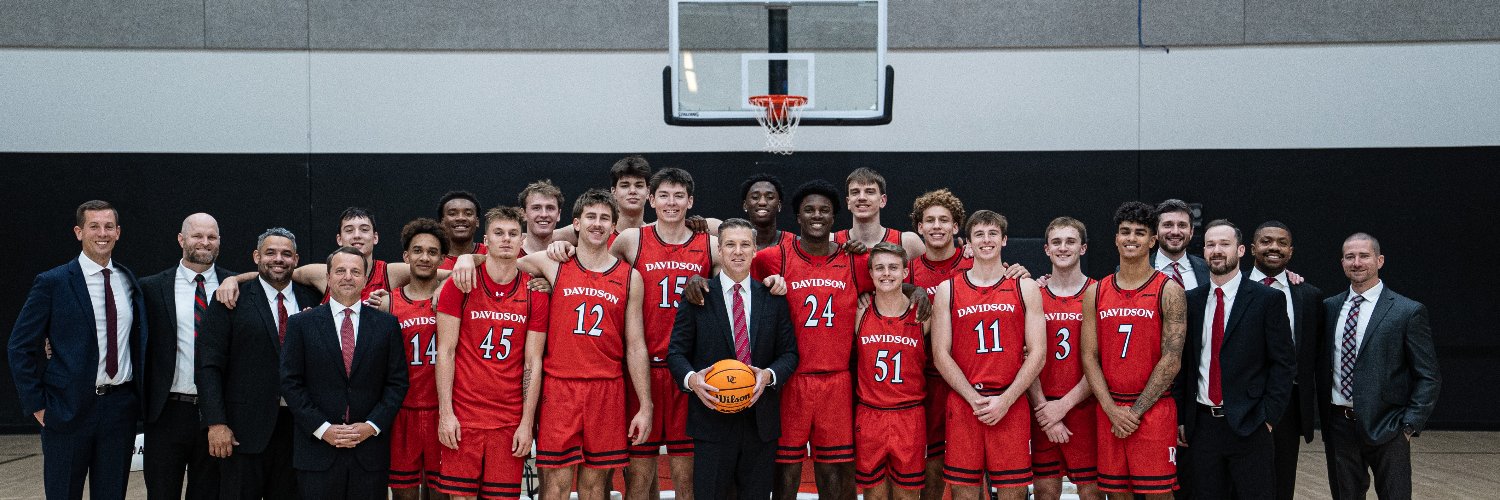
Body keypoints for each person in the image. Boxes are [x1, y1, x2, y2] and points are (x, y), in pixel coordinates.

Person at [555, 168, 714, 499]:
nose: (671, 203)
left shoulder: (709, 243)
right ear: (651, 200)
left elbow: (739, 256)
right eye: (664, 195)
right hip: (642, 370)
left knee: (687, 480)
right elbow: (594, 267)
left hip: (688, 373)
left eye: (679, 196)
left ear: (691, 202)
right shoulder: (631, 239)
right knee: (639, 479)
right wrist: (559, 248)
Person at [8, 200, 147, 500]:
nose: (102, 233)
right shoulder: (53, 282)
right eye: (94, 226)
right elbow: (19, 346)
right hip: (66, 409)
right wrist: (37, 405)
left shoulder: (128, 281)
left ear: (118, 232)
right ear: (78, 232)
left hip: (119, 410)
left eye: (109, 226)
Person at [522, 189, 652, 500]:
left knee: (595, 488)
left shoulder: (630, 277)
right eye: (590, 217)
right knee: (555, 486)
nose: (597, 223)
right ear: (577, 223)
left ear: (613, 226)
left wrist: (645, 404)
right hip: (560, 388)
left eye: (605, 218)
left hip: (606, 389)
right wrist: (463, 264)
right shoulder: (553, 263)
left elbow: (635, 346)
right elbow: (496, 267)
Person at [752, 180, 872, 500]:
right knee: (786, 471)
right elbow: (733, 280)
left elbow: (892, 281)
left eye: (824, 210)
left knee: (832, 472)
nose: (817, 215)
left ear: (834, 217)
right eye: (809, 210)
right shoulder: (772, 258)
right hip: (790, 380)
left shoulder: (855, 261)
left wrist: (914, 291)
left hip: (836, 380)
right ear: (798, 217)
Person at [668, 218, 799, 499]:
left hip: (759, 421)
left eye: (745, 245)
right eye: (730, 244)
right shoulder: (698, 296)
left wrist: (769, 375)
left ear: (755, 250)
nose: (738, 252)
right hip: (711, 420)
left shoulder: (773, 298)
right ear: (719, 250)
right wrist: (692, 380)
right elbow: (676, 353)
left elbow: (789, 353)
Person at [432, 207, 550, 500]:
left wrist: (526, 423)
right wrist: (446, 414)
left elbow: (533, 363)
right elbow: (445, 352)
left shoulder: (534, 292)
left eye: (512, 234)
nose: (506, 239)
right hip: (464, 416)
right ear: (486, 240)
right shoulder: (460, 284)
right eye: (499, 233)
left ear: (522, 240)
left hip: (508, 420)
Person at [929, 210, 1046, 500]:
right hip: (965, 403)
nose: (986, 240)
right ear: (968, 243)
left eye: (993, 234)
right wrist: (973, 399)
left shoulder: (1025, 287)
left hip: (1011, 402)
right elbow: (941, 354)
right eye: (979, 235)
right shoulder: (948, 289)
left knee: (1014, 493)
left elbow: (1038, 353)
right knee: (964, 493)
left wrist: (1005, 400)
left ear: (1004, 240)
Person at [196, 227, 320, 499]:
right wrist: (216, 423)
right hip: (243, 431)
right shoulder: (230, 298)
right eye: (270, 253)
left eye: (286, 254)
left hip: (299, 431)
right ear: (256, 257)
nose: (278, 259)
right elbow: (208, 366)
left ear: (296, 259)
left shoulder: (313, 298)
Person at [1174, 220, 1294, 500]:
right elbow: (1184, 364)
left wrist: (1268, 416)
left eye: (1224, 244)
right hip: (1202, 426)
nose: (1217, 250)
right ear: (1204, 252)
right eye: (1210, 245)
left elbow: (1284, 364)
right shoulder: (1191, 300)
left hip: (1250, 424)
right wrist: (1181, 416)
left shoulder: (1267, 299)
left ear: (1240, 250)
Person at [280, 247, 410, 499]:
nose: (348, 277)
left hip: (369, 453)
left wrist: (371, 426)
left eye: (355, 272)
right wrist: (322, 428)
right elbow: (290, 382)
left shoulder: (387, 325)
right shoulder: (301, 323)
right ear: (328, 278)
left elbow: (397, 383)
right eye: (340, 271)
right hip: (317, 451)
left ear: (365, 279)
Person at [1318, 233, 1440, 500]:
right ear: (1342, 262)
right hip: (1339, 426)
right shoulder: (1329, 307)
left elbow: (1428, 376)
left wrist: (1409, 426)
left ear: (1380, 260)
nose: (1357, 262)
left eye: (1364, 256)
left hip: (1389, 426)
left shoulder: (1407, 311)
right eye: (1350, 257)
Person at [1079, 201, 1186, 499]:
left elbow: (1172, 359)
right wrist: (1112, 410)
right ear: (1116, 238)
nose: (1131, 238)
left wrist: (1135, 412)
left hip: (1153, 410)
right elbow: (1089, 356)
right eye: (1125, 231)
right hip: (1110, 409)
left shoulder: (1169, 290)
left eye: (1140, 233)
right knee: (1116, 494)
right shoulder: (1096, 292)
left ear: (1152, 241)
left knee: (1159, 494)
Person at [140, 213, 232, 500]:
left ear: (219, 242)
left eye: (212, 237)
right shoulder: (151, 288)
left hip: (217, 414)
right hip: (167, 412)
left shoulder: (236, 285)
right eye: (197, 235)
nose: (205, 242)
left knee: (209, 494)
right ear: (181, 239)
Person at [1247, 220, 1323, 500]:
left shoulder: (1308, 295)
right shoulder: (1231, 286)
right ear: (1252, 248)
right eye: (1266, 241)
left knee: (1282, 481)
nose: (1274, 248)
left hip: (1286, 402)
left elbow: (1315, 355)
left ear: (1291, 251)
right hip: (1241, 400)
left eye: (1282, 243)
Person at [1027, 217, 1102, 500]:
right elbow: (1025, 358)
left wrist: (1063, 406)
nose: (1063, 248)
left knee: (1091, 493)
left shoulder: (1099, 293)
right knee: (1044, 491)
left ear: (1083, 248)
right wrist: (1046, 412)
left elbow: (1101, 361)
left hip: (1084, 406)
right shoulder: (1032, 295)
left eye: (1070, 241)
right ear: (1046, 249)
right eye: (1056, 242)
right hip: (1041, 407)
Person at [853, 242, 930, 500]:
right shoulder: (859, 312)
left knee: (907, 495)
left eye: (893, 268)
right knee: (874, 495)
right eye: (880, 268)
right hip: (870, 413)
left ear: (905, 272)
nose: (886, 273)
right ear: (871, 273)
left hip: (909, 415)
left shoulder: (923, 314)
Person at [386, 219, 449, 500]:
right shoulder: (387, 303)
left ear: (442, 259)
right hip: (402, 412)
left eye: (432, 252)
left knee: (440, 495)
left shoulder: (455, 298)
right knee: (404, 495)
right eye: (418, 250)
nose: (425, 257)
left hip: (441, 410)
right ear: (406, 256)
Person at [832, 168, 926, 257]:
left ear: (882, 200)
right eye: (855, 192)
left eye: (870, 192)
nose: (862, 197)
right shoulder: (831, 242)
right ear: (848, 202)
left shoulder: (908, 243)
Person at [1152, 199, 1207, 291]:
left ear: (1191, 232)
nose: (1175, 232)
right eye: (1168, 225)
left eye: (1182, 225)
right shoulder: (1138, 270)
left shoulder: (1208, 269)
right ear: (1156, 231)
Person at [740, 173, 796, 250]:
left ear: (779, 205)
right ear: (745, 205)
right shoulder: (731, 243)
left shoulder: (795, 244)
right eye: (755, 197)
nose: (762, 202)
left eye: (770, 197)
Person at [437, 191, 484, 270]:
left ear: (477, 222)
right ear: (442, 222)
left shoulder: (491, 254)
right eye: (452, 214)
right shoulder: (431, 257)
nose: (461, 218)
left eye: (468, 214)